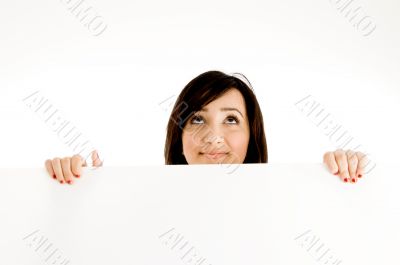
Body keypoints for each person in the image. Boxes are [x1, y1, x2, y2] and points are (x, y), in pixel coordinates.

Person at [44, 71, 367, 185]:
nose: (213, 137)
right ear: (178, 138)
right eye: (197, 118)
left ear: (252, 136)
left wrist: (338, 180)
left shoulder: (284, 211)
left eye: (231, 119)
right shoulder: (147, 208)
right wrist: (79, 194)